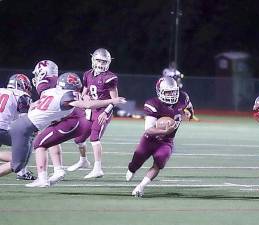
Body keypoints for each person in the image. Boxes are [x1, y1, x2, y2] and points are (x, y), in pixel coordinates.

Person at [125, 76, 194, 197]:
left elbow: (189, 106)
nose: (171, 94)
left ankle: (141, 186)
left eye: (173, 91)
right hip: (149, 140)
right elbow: (148, 130)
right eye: (168, 92)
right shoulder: (153, 104)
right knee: (137, 160)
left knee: (160, 161)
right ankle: (132, 169)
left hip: (167, 141)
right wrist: (164, 131)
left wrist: (190, 113)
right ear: (160, 92)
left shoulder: (183, 97)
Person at [67, 48, 120, 179]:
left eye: (104, 61)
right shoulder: (87, 74)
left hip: (103, 111)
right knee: (79, 139)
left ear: (108, 62)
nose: (101, 64)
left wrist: (105, 113)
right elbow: (84, 92)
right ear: (93, 60)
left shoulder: (110, 78)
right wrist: (83, 98)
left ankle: (98, 169)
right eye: (98, 60)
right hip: (90, 110)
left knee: (94, 137)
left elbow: (115, 100)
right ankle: (83, 160)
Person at [32, 59, 66, 184]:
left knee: (41, 142)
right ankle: (58, 169)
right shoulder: (56, 80)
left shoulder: (43, 84)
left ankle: (43, 176)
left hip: (53, 110)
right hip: (62, 109)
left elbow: (46, 99)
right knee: (52, 139)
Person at [0, 74, 36, 180]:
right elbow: (24, 123)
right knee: (28, 138)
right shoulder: (21, 95)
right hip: (2, 130)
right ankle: (22, 171)